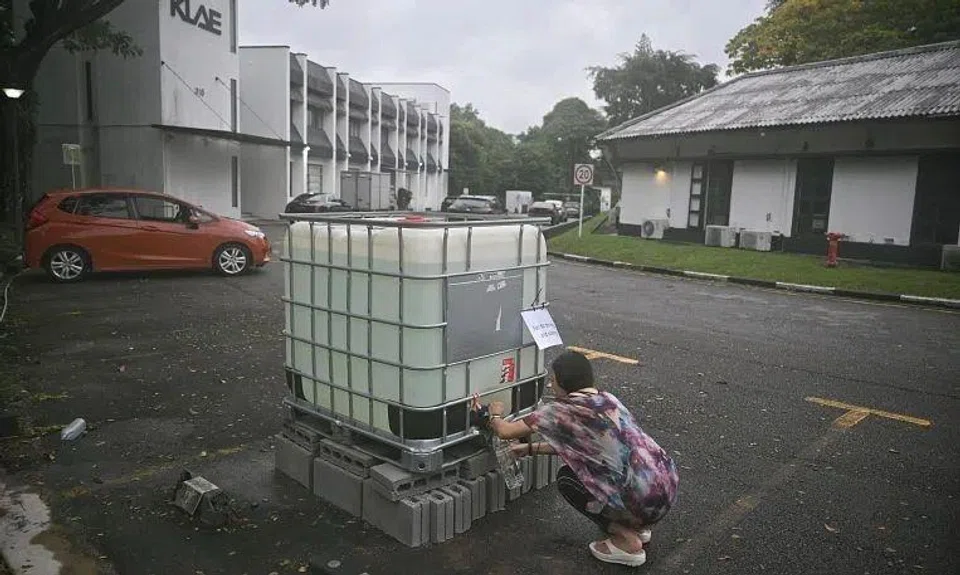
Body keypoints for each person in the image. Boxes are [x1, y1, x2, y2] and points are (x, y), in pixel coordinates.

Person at [475, 350, 679, 567]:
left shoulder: (561, 411)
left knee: (568, 478)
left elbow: (505, 431)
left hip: (638, 500)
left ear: (563, 383)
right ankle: (638, 526)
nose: (551, 386)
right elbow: (588, 449)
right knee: (613, 475)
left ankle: (626, 541)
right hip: (665, 489)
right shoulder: (607, 399)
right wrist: (530, 448)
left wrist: (494, 413)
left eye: (552, 381)